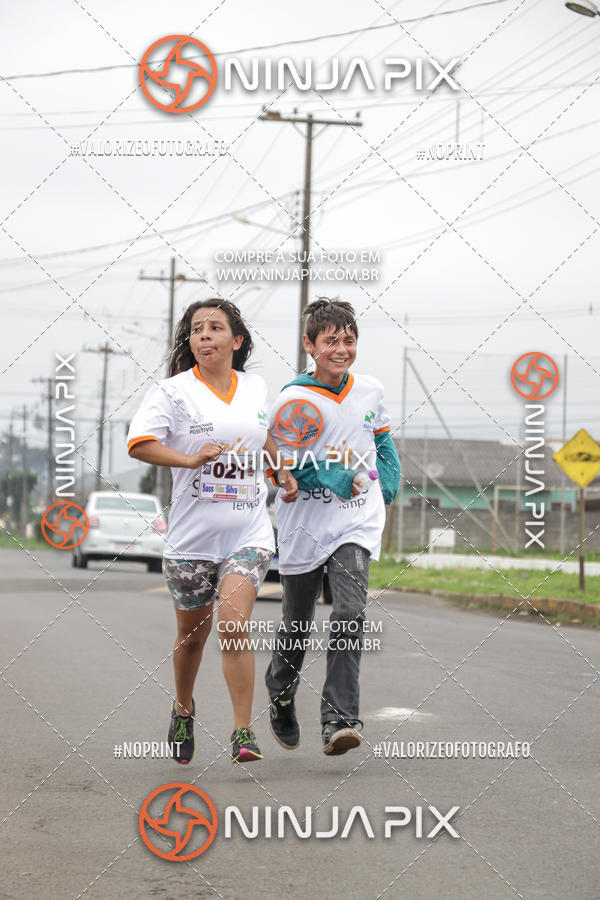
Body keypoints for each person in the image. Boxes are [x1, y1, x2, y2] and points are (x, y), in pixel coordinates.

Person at [127, 299, 297, 765]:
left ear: (236, 341)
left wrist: (282, 472)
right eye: (197, 329)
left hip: (248, 530)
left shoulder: (256, 387)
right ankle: (183, 708)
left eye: (215, 328)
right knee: (192, 637)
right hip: (190, 539)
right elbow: (139, 444)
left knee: (233, 623)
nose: (204, 335)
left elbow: (264, 436)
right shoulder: (173, 392)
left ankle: (243, 730)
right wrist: (188, 458)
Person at [265, 298, 400, 755]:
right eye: (331, 341)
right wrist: (333, 475)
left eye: (349, 340)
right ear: (310, 344)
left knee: (349, 613)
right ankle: (281, 690)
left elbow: (382, 442)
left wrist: (387, 484)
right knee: (297, 624)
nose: (341, 349)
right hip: (304, 523)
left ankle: (339, 720)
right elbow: (281, 466)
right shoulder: (293, 400)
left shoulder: (369, 390)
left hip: (353, 523)